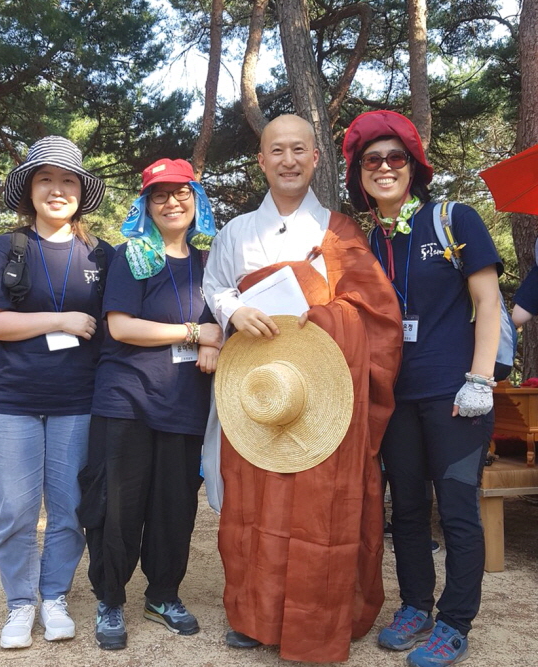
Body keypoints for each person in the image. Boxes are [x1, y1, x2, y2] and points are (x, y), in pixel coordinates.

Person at [202, 114, 403, 663]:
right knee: (252, 509)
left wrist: (327, 319)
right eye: (277, 151)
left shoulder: (339, 231)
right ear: (262, 161)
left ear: (316, 158)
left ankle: (319, 620)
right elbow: (215, 286)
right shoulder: (237, 231)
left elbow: (376, 316)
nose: (288, 160)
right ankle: (254, 616)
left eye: (299, 150)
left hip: (322, 395)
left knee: (319, 512)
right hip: (261, 392)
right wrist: (234, 308)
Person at [343, 110, 502, 667]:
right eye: (372, 160)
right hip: (393, 397)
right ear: (359, 174)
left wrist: (481, 378)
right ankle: (415, 605)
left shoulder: (453, 219)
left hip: (457, 394)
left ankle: (456, 621)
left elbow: (488, 302)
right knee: (405, 508)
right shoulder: (365, 242)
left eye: (395, 158)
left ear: (414, 166)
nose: (384, 168)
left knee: (457, 509)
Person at [0, 136, 114, 650]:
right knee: (13, 508)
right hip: (9, 400)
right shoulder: (6, 248)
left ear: (81, 191)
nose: (57, 190)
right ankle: (19, 602)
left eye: (68, 180)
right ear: (29, 190)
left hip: (78, 400)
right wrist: (58, 319)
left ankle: (53, 594)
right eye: (45, 179)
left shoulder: (101, 254)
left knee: (69, 505)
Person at [79, 158, 222, 651]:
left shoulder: (210, 264)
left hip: (185, 406)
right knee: (116, 507)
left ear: (196, 200)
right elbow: (121, 327)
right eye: (158, 195)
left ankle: (162, 595)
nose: (171, 202)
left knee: (174, 508)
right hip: (127, 401)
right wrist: (192, 332)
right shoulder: (133, 256)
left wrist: (213, 339)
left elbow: (223, 321)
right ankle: (111, 598)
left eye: (181, 192)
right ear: (145, 205)